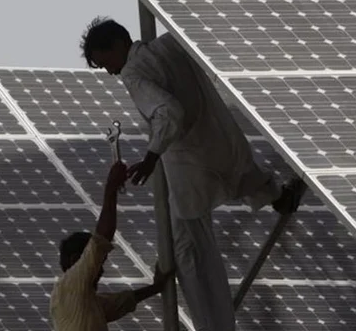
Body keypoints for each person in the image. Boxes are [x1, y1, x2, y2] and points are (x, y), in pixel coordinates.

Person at [79, 17, 307, 331]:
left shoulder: (133, 73)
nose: (110, 71)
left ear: (118, 45)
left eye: (106, 62)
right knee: (243, 178)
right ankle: (279, 196)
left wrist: (151, 157)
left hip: (189, 171)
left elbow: (169, 112)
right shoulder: (171, 45)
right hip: (225, 146)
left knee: (190, 254)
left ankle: (213, 326)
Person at [50, 162, 174, 331]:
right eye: (99, 263)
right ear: (76, 259)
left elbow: (120, 302)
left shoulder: (79, 300)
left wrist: (155, 288)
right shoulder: (70, 284)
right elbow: (103, 236)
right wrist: (111, 187)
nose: (102, 271)